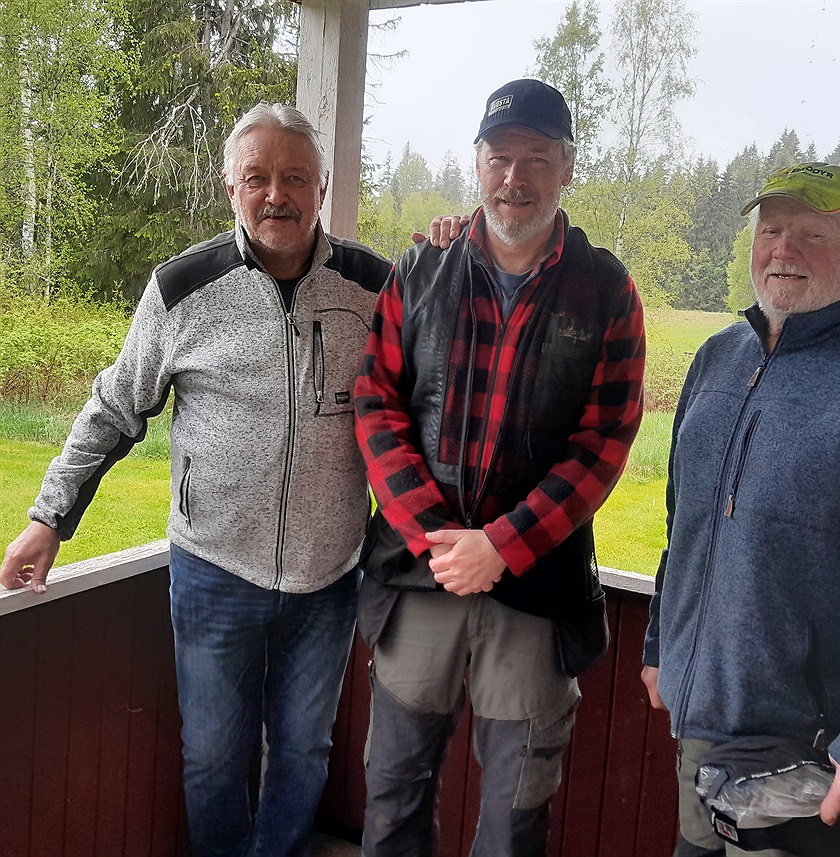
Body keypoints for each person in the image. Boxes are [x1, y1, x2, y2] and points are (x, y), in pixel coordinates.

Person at [0, 103, 392, 857]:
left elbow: (420, 400)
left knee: (305, 751)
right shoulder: (182, 288)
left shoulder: (374, 288)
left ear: (322, 187)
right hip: (215, 569)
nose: (276, 194)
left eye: (295, 178)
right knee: (212, 756)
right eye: (257, 177)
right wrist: (49, 518)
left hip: (330, 575)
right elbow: (116, 407)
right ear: (230, 187)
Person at [641, 162, 840, 857]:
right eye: (772, 230)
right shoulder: (717, 359)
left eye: (814, 234)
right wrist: (658, 647)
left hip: (809, 748)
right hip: (703, 724)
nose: (784, 250)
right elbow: (684, 527)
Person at [353, 78, 646, 857]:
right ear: (477, 163)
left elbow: (604, 440)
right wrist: (439, 537)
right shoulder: (420, 271)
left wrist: (503, 545)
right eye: (500, 158)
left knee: (516, 815)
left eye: (537, 159)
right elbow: (377, 403)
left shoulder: (607, 290)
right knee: (393, 793)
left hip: (538, 587)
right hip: (421, 574)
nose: (516, 178)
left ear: (568, 167)